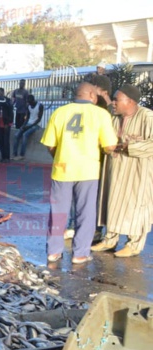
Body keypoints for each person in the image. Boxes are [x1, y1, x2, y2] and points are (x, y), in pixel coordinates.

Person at [42, 83, 117, 264]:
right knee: (86, 212)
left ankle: (53, 252)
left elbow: (50, 145)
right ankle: (80, 254)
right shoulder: (101, 114)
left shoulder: (60, 112)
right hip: (88, 171)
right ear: (91, 94)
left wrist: (60, 156)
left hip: (62, 170)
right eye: (97, 94)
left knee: (58, 212)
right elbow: (109, 146)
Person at [93, 85, 153, 258]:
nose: (113, 102)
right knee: (112, 202)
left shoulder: (147, 117)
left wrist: (129, 146)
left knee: (136, 206)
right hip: (114, 168)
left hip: (138, 171)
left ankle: (134, 244)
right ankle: (110, 239)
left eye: (117, 99)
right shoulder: (113, 117)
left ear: (130, 101)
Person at [13, 94, 43, 160]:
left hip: (36, 125)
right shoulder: (28, 105)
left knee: (25, 135)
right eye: (28, 102)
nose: (30, 104)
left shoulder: (40, 106)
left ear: (33, 100)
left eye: (30, 102)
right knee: (16, 135)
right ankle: (15, 154)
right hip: (29, 123)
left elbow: (39, 119)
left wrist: (29, 127)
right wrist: (23, 125)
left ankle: (22, 155)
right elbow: (27, 118)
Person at [0, 88, 14, 162]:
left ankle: (7, 157)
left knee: (6, 141)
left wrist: (8, 123)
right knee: (1, 141)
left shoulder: (7, 101)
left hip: (6, 124)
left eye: (0, 92)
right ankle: (3, 157)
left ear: (3, 93)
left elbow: (11, 113)